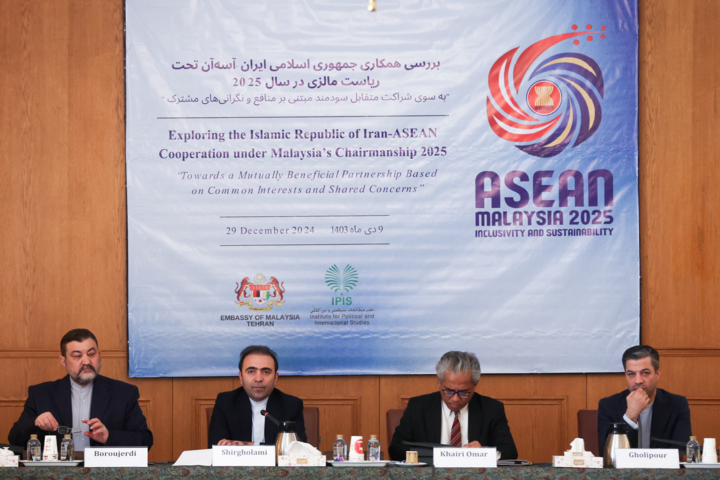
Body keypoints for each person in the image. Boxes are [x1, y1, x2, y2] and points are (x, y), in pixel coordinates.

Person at [8, 329, 153, 450]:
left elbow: (145, 440)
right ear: (64, 361)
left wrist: (108, 436)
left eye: (91, 354)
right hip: (58, 472)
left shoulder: (124, 393)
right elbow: (14, 438)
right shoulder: (41, 394)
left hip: (105, 471)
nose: (86, 361)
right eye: (77, 356)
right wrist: (36, 423)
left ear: (99, 355)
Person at [389, 351, 518, 460]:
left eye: (463, 392)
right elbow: (396, 448)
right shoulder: (418, 407)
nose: (455, 399)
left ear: (475, 385)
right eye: (449, 391)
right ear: (439, 382)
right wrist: (435, 456)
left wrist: (484, 453)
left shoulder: (492, 409)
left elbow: (510, 452)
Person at [208, 345, 306, 446]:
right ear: (241, 377)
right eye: (251, 372)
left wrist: (248, 445)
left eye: (266, 372)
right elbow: (215, 446)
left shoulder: (291, 405)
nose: (258, 379)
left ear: (275, 378)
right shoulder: (225, 402)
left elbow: (298, 448)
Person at [597, 345, 691, 451]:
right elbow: (606, 452)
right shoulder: (608, 405)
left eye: (645, 373)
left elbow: (682, 451)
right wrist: (630, 416)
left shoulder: (677, 404)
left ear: (657, 374)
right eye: (631, 374)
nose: (638, 381)